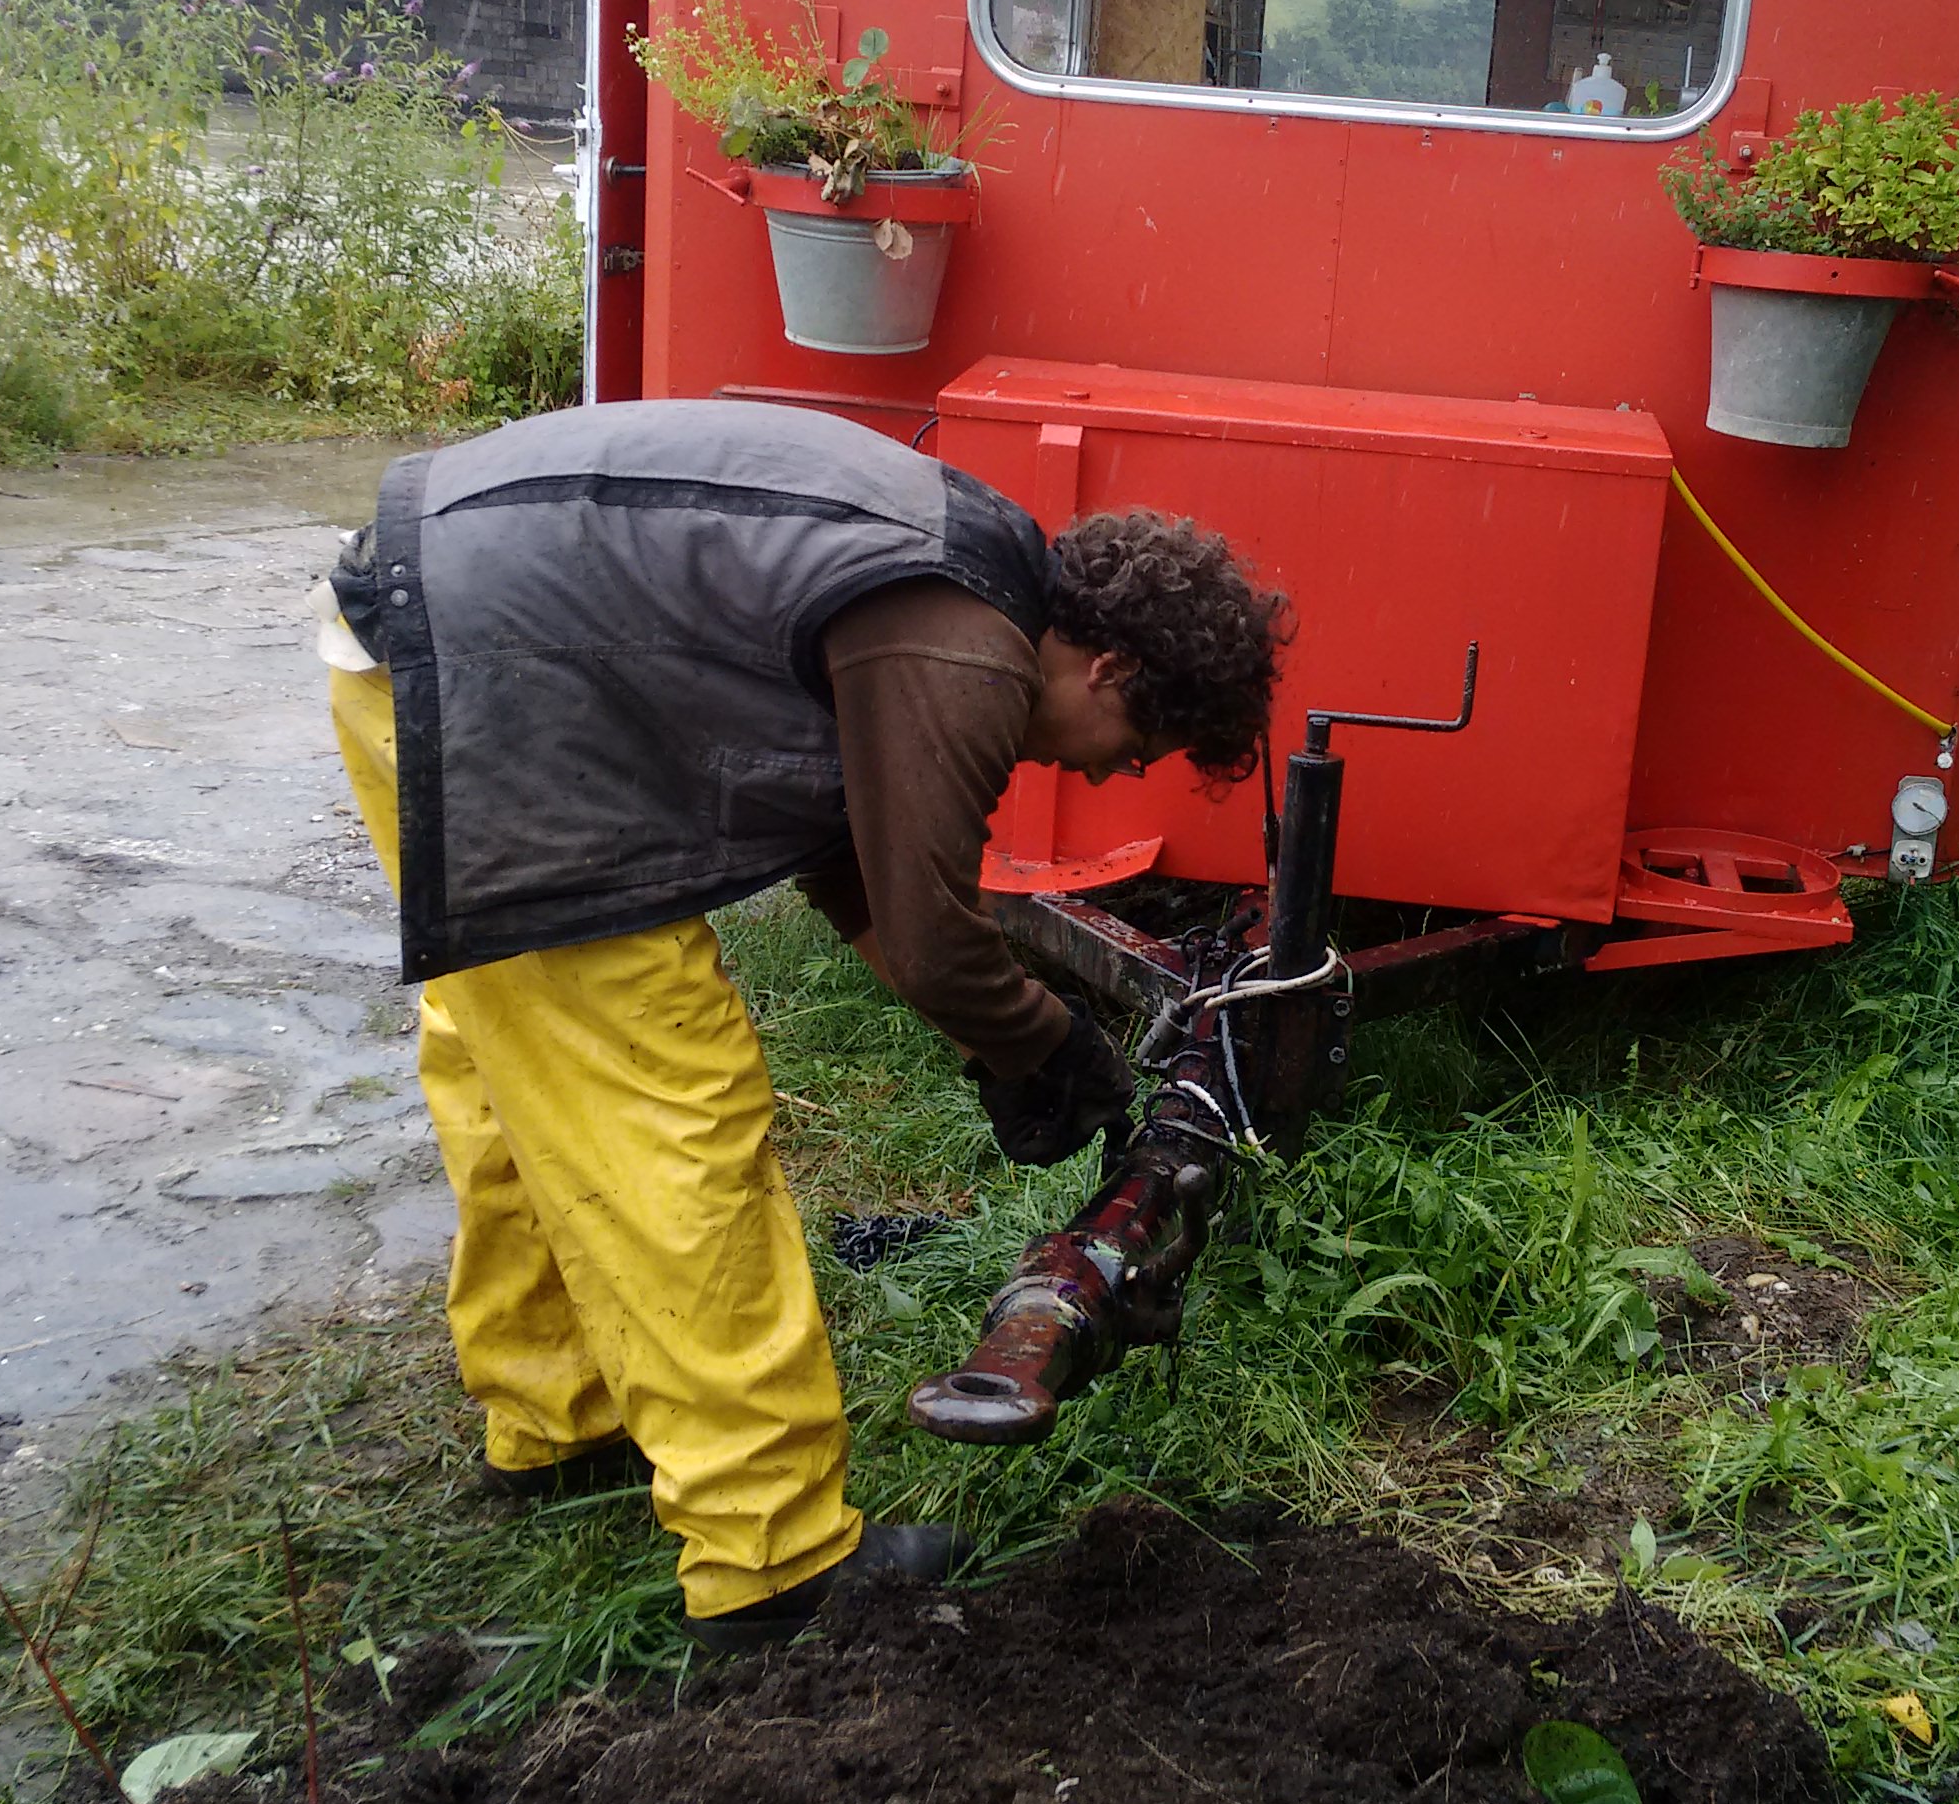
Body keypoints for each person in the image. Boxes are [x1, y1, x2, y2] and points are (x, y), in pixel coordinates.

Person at [319, 399, 1286, 1653]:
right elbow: (934, 930)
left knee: (528, 1078)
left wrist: (993, 1038)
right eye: (1137, 746)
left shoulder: (964, 585)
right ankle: (771, 1560)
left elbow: (853, 867)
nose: (1112, 775)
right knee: (671, 1105)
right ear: (1107, 669)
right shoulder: (965, 645)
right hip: (486, 672)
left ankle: (558, 1416)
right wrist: (1050, 1052)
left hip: (432, 633)